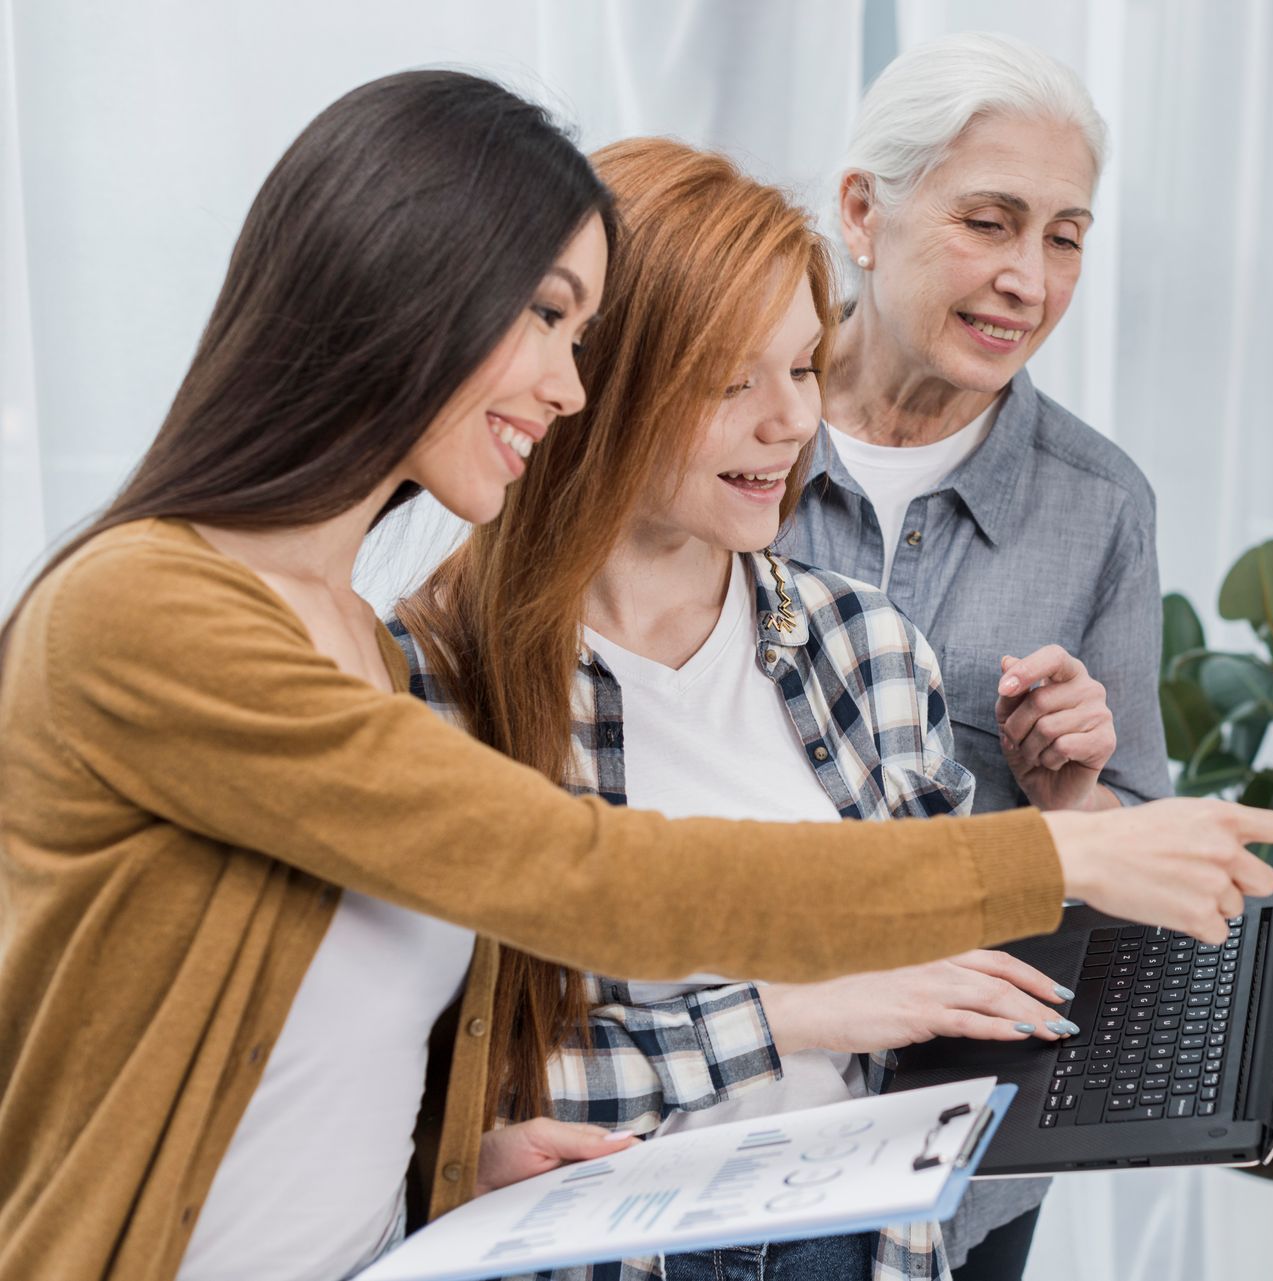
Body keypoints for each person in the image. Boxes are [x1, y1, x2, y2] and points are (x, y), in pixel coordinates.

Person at [0, 73, 1273, 1281]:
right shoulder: (194, 620)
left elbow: (369, 1060)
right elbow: (586, 874)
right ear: (404, 291)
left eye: (801, 368)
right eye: (547, 319)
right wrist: (1052, 862)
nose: (568, 383)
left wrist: (459, 1164)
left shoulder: (351, 636)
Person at [396, 135, 1083, 1281]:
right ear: (594, 384)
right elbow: (454, 1103)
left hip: (862, 1244)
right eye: (731, 381)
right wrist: (796, 1012)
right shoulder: (437, 681)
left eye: (806, 368)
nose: (790, 422)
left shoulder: (868, 649)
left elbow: (935, 1005)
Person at [778, 33, 1169, 1274]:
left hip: (969, 1149)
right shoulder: (728, 439)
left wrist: (1075, 798)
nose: (1028, 280)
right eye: (989, 221)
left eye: (1063, 238)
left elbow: (1129, 854)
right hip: (736, 1099)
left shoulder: (1100, 503)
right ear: (863, 211)